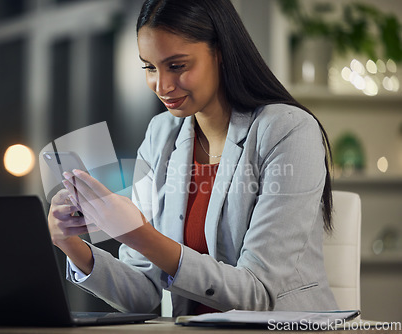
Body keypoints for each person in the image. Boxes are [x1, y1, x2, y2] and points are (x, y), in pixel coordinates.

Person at [48, 0, 338, 316]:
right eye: (149, 67)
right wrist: (72, 246)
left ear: (221, 52)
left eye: (177, 66)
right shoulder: (161, 134)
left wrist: (138, 234)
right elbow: (145, 293)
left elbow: (257, 295)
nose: (161, 86)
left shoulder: (287, 130)